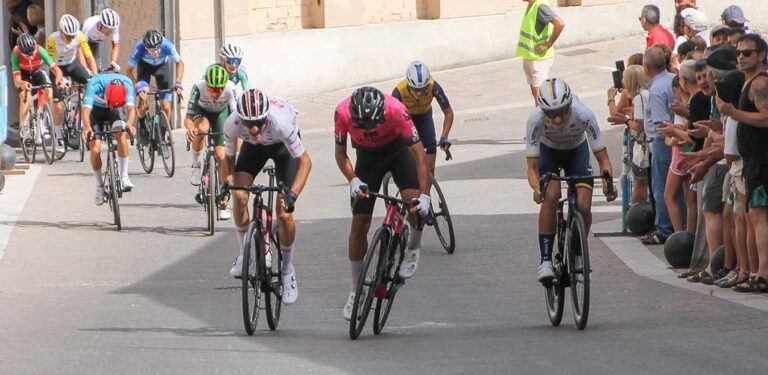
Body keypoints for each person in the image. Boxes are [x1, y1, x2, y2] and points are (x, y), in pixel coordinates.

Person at [334, 86, 431, 320]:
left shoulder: (398, 110)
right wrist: (353, 180)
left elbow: (419, 155)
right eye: (363, 124)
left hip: (398, 153)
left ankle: (412, 247)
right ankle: (356, 290)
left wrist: (426, 194)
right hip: (367, 159)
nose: (369, 128)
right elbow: (340, 153)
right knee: (359, 225)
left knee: (413, 201)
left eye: (373, 123)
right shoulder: (342, 112)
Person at [224, 89, 312, 305]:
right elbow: (227, 160)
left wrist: (293, 195)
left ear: (267, 117)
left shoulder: (281, 122)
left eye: (259, 123)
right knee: (240, 195)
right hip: (254, 150)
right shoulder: (232, 123)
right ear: (241, 119)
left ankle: (287, 269)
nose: (254, 129)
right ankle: (246, 252)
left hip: (283, 149)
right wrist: (225, 185)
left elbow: (305, 162)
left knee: (284, 213)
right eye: (248, 123)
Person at [526, 78, 616, 282]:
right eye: (550, 114)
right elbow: (531, 168)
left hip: (577, 151)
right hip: (548, 152)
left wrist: (608, 184)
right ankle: (546, 260)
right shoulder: (534, 120)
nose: (557, 119)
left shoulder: (584, 115)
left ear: (570, 106)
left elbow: (604, 160)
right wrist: (536, 188)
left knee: (584, 205)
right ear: (542, 111)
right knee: (551, 196)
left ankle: (577, 254)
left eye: (562, 112)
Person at [717, 34, 768, 293]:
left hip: (761, 160)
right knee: (753, 216)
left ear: (761, 55)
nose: (741, 56)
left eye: (747, 53)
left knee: (759, 217)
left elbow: (766, 117)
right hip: (753, 160)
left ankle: (762, 274)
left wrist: (734, 113)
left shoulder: (760, 83)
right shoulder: (750, 83)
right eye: (739, 52)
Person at [184, 65, 238, 220]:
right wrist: (190, 129)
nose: (216, 93)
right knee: (201, 129)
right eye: (212, 89)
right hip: (203, 113)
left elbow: (235, 117)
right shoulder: (198, 87)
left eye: (220, 90)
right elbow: (188, 117)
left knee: (222, 156)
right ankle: (196, 165)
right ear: (206, 84)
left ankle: (223, 201)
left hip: (222, 114)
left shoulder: (231, 87)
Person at [641, 46, 680, 245]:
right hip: (676, 138)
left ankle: (664, 228)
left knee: (662, 187)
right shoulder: (672, 79)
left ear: (646, 67)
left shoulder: (656, 89)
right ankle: (676, 226)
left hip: (663, 141)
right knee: (675, 188)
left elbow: (661, 123)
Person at [81, 73, 136, 204]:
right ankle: (100, 186)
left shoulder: (127, 84)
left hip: (115, 111)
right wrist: (87, 127)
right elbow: (86, 111)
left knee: (121, 135)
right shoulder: (94, 84)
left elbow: (130, 109)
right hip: (96, 111)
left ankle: (124, 176)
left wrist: (129, 124)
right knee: (95, 150)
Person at [392, 60, 454, 174]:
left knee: (430, 169)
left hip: (425, 118)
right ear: (409, 84)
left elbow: (449, 113)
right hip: (407, 120)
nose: (419, 93)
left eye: (423, 89)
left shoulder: (434, 87)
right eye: (415, 90)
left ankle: (426, 191)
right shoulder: (399, 91)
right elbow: (392, 119)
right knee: (410, 167)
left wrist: (444, 137)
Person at [47, 14, 98, 153]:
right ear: (61, 32)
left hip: (72, 64)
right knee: (57, 105)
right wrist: (59, 77)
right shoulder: (52, 39)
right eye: (68, 37)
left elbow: (88, 55)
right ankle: (57, 135)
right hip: (56, 67)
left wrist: (96, 76)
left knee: (92, 84)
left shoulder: (79, 36)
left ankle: (78, 110)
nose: (71, 40)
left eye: (73, 37)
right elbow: (50, 61)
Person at [126, 29, 184, 142]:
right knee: (143, 97)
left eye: (158, 48)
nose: (156, 52)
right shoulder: (139, 48)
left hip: (162, 67)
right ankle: (142, 126)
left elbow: (180, 63)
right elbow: (128, 70)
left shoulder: (167, 46)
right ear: (146, 48)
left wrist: (178, 82)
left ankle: (162, 132)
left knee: (166, 106)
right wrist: (136, 84)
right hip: (144, 67)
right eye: (152, 50)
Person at [607, 65, 649, 205]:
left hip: (640, 142)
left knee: (640, 180)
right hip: (648, 142)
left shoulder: (636, 97)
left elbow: (636, 125)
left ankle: (636, 212)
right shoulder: (647, 93)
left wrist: (611, 99)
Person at [12, 33, 64, 144]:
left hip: (37, 72)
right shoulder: (15, 53)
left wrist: (59, 79)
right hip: (23, 75)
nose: (30, 57)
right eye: (27, 55)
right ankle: (25, 128)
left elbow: (56, 69)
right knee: (24, 97)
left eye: (32, 53)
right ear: (21, 51)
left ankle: (43, 117)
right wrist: (23, 84)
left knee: (49, 90)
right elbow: (17, 80)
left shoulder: (39, 50)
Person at [515, 0, 565, 105]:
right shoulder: (532, 5)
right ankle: (539, 115)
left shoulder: (540, 6)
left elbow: (559, 24)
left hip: (540, 59)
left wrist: (548, 44)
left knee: (540, 94)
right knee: (535, 91)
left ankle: (543, 118)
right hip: (530, 57)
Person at [81, 8, 121, 72]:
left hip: (96, 40)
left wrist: (113, 62)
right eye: (107, 28)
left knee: (96, 68)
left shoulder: (115, 25)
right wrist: (86, 68)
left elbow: (115, 45)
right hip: (88, 41)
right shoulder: (88, 26)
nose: (109, 32)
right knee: (86, 69)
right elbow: (81, 51)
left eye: (111, 29)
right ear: (101, 24)